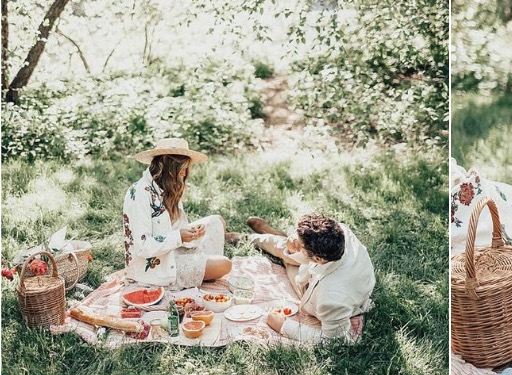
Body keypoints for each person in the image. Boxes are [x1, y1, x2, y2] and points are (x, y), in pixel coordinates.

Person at [227, 213, 375, 343]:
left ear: (317, 258)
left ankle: (266, 235)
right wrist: (295, 244)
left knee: (288, 261)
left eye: (299, 243)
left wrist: (284, 326)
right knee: (287, 249)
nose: (294, 240)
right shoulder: (339, 231)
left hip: (326, 286)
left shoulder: (331, 299)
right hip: (329, 270)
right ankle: (253, 237)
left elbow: (336, 340)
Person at [123, 138, 232, 288]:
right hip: (156, 267)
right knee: (224, 265)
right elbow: (142, 247)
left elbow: (176, 228)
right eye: (180, 170)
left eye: (186, 169)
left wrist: (191, 233)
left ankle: (203, 266)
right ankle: (203, 268)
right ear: (163, 165)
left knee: (216, 221)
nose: (184, 174)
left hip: (174, 249)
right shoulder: (140, 194)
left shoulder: (167, 185)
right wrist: (179, 236)